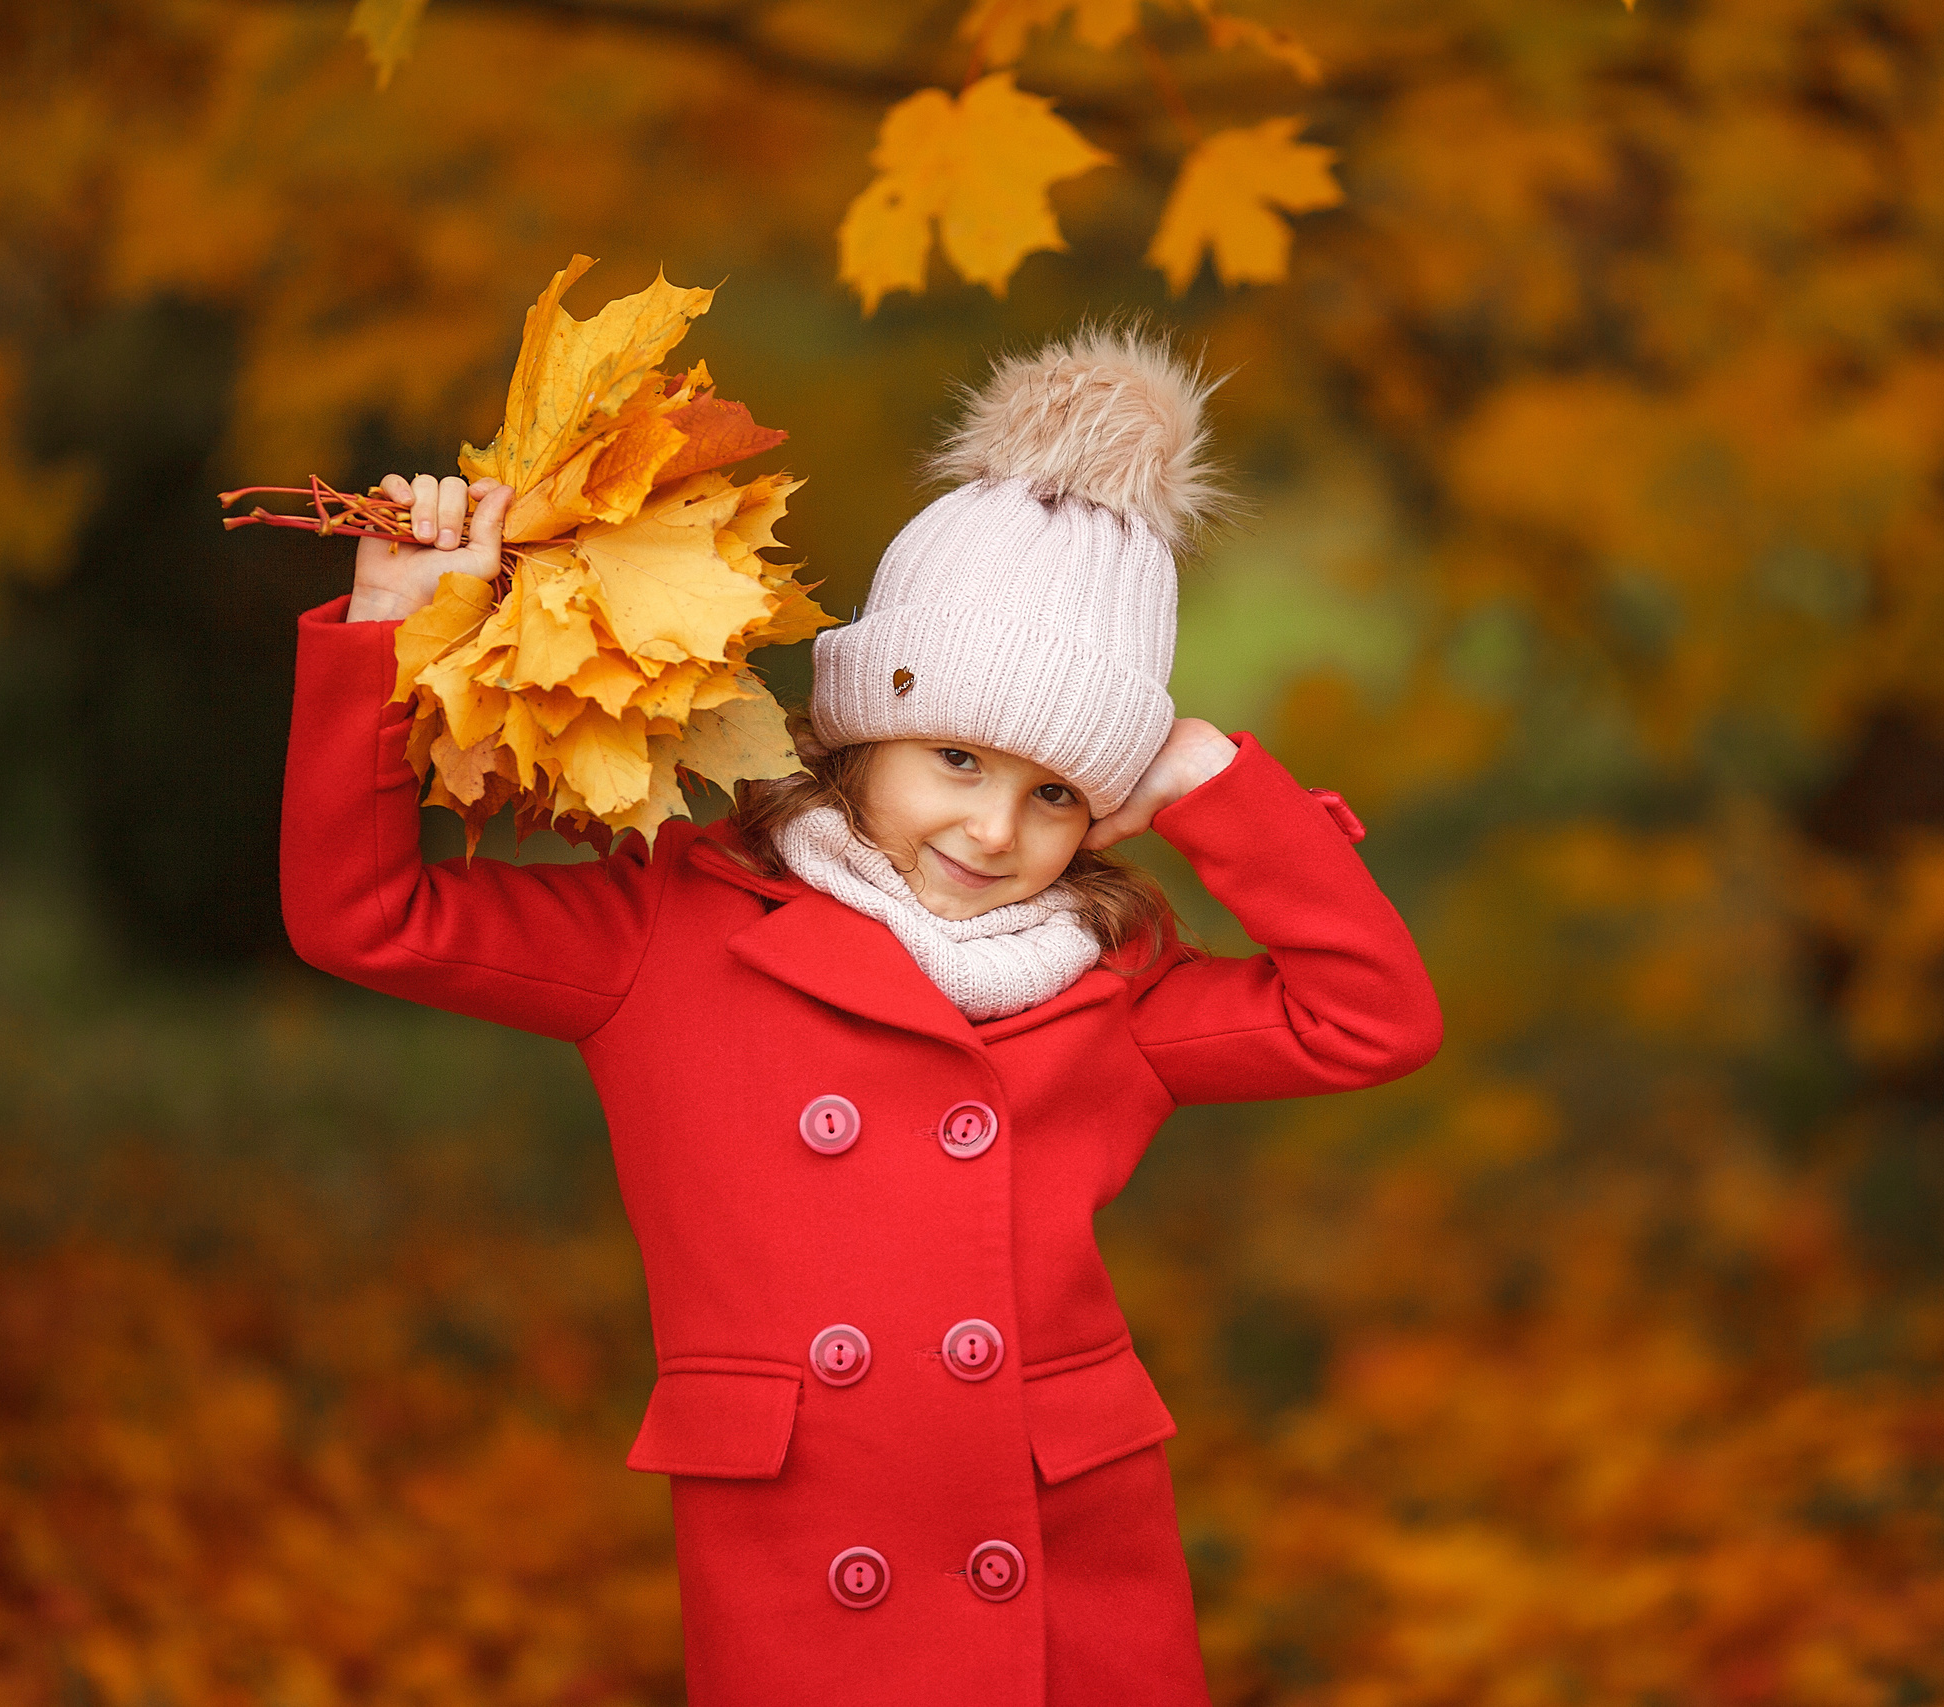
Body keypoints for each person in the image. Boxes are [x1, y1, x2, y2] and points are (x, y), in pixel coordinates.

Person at [280, 324, 1443, 1706]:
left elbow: (1371, 1022)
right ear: (856, 732)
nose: (995, 826)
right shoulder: (675, 930)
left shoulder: (1108, 987)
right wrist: (379, 636)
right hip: (809, 1559)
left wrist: (1207, 777)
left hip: (1065, 1564)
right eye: (955, 757)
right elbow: (367, 916)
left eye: (1058, 790)